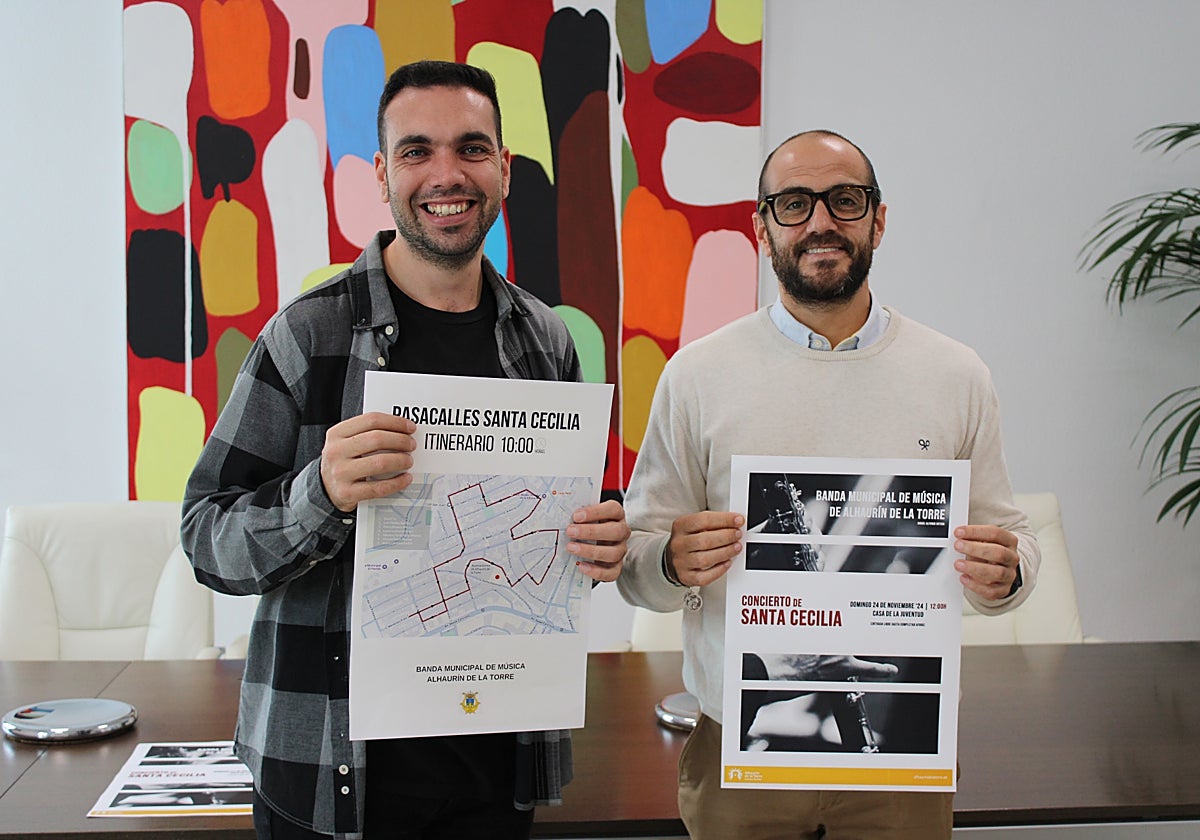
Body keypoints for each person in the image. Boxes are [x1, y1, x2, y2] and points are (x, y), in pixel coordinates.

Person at [181, 60, 630, 840]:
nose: (446, 174)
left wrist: (597, 543)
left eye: (472, 148)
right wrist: (319, 494)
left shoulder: (544, 339)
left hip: (497, 775)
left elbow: (555, 544)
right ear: (384, 174)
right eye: (417, 151)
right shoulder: (306, 336)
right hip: (328, 782)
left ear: (504, 169)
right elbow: (205, 539)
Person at [616, 130, 1040, 839]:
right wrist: (668, 560)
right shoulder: (697, 375)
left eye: (845, 200)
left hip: (901, 748)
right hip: (742, 749)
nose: (820, 222)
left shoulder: (956, 374)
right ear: (761, 228)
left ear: (878, 219)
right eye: (794, 203)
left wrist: (1007, 573)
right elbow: (634, 564)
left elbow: (1012, 541)